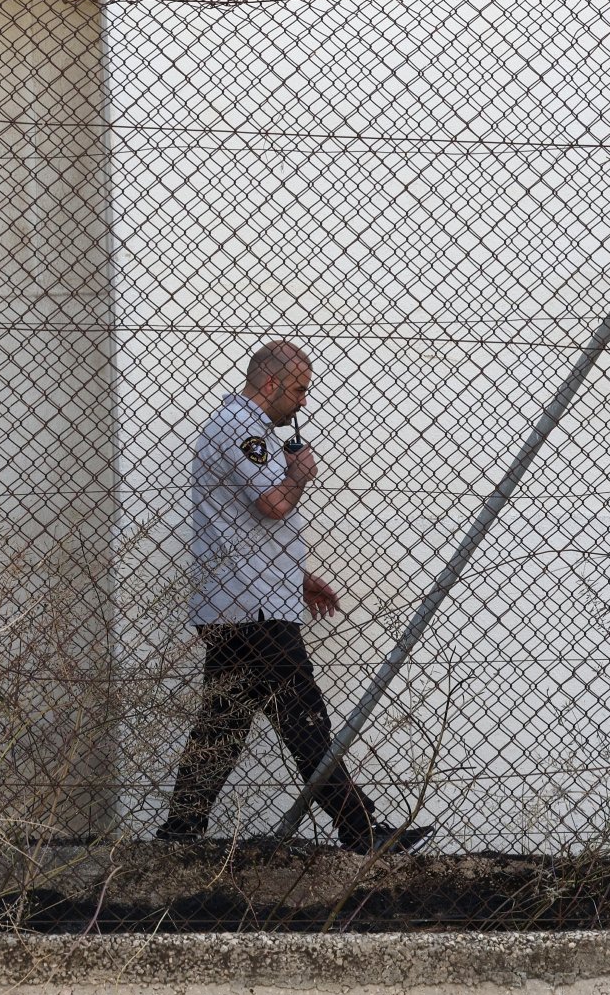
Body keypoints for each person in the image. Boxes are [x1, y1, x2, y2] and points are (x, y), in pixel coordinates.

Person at [156, 339, 433, 854]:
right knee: (304, 717)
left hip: (240, 603)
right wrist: (299, 477)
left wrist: (298, 577)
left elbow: (242, 528)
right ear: (271, 384)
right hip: (254, 611)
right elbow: (272, 505)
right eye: (299, 390)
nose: (303, 401)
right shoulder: (244, 429)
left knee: (225, 721)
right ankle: (362, 831)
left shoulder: (237, 426)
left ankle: (181, 832)